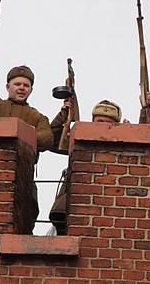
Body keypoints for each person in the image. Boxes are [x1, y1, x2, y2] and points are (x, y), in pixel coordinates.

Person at [0, 25, 56, 150]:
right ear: (8, 87)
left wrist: (17, 134)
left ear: (31, 90)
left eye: (26, 85)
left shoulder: (38, 117)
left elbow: (46, 139)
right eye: (17, 84)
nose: (22, 88)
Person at [49, 100, 122, 234]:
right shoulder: (80, 139)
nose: (102, 126)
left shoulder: (121, 143)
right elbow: (52, 141)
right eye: (99, 121)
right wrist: (63, 116)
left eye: (108, 123)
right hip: (75, 203)